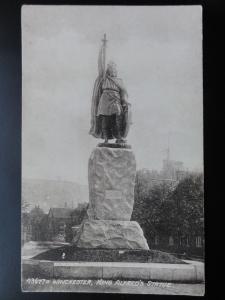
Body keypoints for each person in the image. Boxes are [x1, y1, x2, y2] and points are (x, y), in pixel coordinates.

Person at [89, 37, 132, 144]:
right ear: (108, 70)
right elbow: (101, 64)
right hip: (104, 101)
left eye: (114, 68)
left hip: (115, 101)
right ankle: (106, 139)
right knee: (105, 120)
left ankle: (119, 137)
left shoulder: (119, 81)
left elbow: (123, 94)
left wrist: (125, 102)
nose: (113, 70)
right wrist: (103, 49)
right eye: (111, 68)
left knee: (118, 117)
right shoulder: (104, 78)